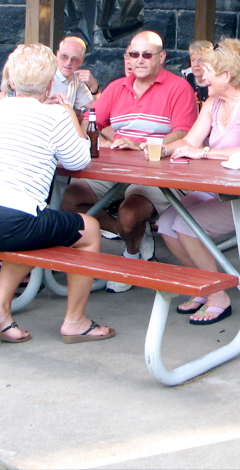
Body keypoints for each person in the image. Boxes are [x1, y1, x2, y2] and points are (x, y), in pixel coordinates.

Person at [0, 44, 113, 344]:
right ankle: (76, 321)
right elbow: (80, 160)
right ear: (51, 83)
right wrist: (66, 112)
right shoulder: (54, 116)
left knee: (33, 227)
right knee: (89, 229)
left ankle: (1, 309)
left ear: (12, 81)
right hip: (7, 220)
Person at [61, 31, 197, 292]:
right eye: (134, 54)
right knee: (69, 199)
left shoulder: (179, 87)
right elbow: (92, 122)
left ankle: (132, 254)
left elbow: (183, 133)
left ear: (162, 57)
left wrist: (142, 146)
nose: (140, 60)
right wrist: (113, 137)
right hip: (114, 169)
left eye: (147, 54)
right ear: (127, 58)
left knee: (129, 213)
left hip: (157, 170)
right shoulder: (116, 87)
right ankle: (132, 234)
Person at [159, 37, 240, 325]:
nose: (201, 73)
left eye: (208, 69)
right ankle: (205, 284)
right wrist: (160, 148)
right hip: (218, 190)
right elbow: (190, 140)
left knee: (186, 226)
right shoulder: (213, 101)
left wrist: (204, 152)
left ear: (226, 75)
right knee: (165, 224)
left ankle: (219, 294)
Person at [52, 36, 99, 111]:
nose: (68, 62)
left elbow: (96, 109)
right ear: (57, 55)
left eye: (74, 59)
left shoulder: (77, 80)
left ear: (81, 62)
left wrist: (94, 88)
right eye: (64, 56)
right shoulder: (45, 76)